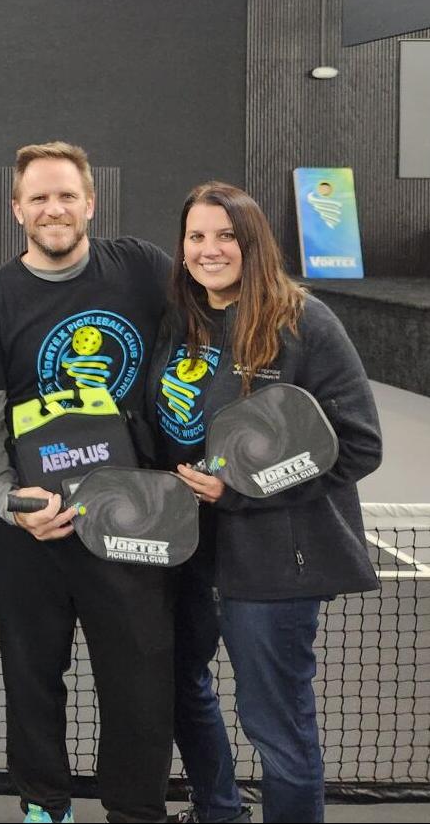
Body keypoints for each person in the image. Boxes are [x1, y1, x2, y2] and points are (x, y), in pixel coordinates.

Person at [150, 181, 380, 824]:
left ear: (253, 244)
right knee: (179, 686)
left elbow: (358, 445)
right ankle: (218, 812)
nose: (209, 249)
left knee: (275, 725)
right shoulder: (183, 321)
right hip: (187, 550)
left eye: (226, 236)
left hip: (275, 563)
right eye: (196, 236)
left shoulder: (302, 321)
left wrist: (242, 493)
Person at [0, 141, 174, 824]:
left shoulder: (139, 267)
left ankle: (136, 813)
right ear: (17, 208)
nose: (53, 208)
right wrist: (9, 500)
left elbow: (205, 332)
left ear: (89, 202)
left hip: (132, 523)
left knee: (139, 683)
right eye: (39, 197)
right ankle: (43, 809)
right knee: (30, 682)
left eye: (65, 195)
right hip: (33, 532)